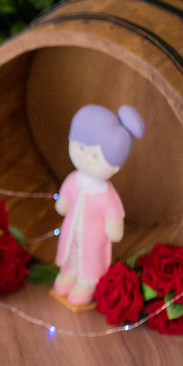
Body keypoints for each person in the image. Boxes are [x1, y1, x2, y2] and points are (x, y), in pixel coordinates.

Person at [53, 104, 145, 306]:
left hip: (93, 238)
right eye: (80, 147)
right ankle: (69, 274)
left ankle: (86, 283)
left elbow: (113, 215)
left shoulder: (105, 194)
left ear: (114, 165)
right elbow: (65, 200)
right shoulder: (74, 179)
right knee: (69, 250)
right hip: (71, 231)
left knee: (91, 258)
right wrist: (63, 204)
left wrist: (113, 228)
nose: (85, 157)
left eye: (94, 156)